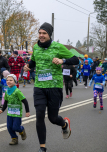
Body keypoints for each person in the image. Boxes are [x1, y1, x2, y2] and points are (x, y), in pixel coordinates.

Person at [24, 22, 78, 152]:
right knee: (40, 114)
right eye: (40, 33)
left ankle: (64, 124)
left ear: (49, 34)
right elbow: (34, 61)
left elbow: (76, 60)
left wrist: (62, 61)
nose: (41, 35)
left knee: (53, 118)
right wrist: (28, 65)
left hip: (54, 87)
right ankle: (42, 147)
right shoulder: (36, 47)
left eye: (44, 33)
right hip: (39, 87)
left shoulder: (58, 47)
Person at [0, 74, 30, 145]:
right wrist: (2, 110)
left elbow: (25, 101)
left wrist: (27, 111)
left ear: (15, 82)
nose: (8, 81)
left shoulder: (17, 91)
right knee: (9, 127)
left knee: (15, 127)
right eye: (7, 80)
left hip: (17, 113)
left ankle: (21, 130)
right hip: (9, 113)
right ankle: (14, 138)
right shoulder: (7, 91)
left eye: (11, 80)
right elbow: (6, 102)